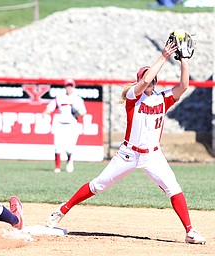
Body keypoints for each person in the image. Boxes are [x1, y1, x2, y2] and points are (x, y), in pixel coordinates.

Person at [47, 42, 206, 244]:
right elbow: (145, 79)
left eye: (153, 78)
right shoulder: (133, 97)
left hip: (152, 155)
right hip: (128, 155)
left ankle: (189, 232)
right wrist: (163, 57)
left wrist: (184, 60)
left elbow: (184, 86)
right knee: (98, 185)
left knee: (173, 188)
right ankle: (63, 209)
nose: (151, 80)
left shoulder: (163, 98)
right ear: (139, 80)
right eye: (147, 78)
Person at [43, 79, 87, 173]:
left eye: (71, 86)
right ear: (65, 87)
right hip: (60, 124)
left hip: (72, 124)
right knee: (57, 146)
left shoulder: (77, 99)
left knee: (69, 148)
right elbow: (50, 107)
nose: (69, 87)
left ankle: (69, 160)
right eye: (68, 86)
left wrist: (78, 111)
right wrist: (45, 113)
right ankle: (57, 167)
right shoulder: (60, 97)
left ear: (73, 87)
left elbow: (83, 113)